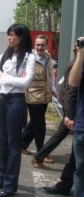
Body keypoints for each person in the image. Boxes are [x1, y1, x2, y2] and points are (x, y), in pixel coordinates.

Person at [0, 23, 35, 197]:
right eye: (8, 34)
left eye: (12, 35)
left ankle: (9, 186)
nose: (9, 38)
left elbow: (25, 82)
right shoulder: (3, 56)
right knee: (2, 141)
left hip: (16, 102)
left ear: (21, 37)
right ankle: (2, 177)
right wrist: (13, 78)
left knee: (13, 145)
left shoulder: (28, 58)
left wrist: (5, 78)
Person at [32, 48, 77, 169]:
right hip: (73, 109)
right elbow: (70, 91)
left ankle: (39, 156)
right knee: (63, 134)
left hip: (72, 108)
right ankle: (39, 156)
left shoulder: (76, 62)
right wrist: (69, 114)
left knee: (61, 133)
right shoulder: (77, 65)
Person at [20, 35, 57, 158]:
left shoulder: (48, 57)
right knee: (40, 125)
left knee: (34, 123)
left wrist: (53, 90)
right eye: (37, 45)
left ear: (46, 46)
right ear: (34, 45)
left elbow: (50, 76)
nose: (39, 47)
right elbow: (22, 75)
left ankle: (21, 145)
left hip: (45, 96)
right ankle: (41, 152)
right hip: (33, 96)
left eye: (42, 45)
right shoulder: (29, 58)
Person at [69, 36, 84, 197]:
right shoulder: (81, 61)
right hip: (82, 126)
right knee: (80, 170)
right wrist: (80, 54)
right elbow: (73, 82)